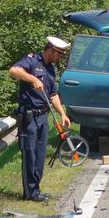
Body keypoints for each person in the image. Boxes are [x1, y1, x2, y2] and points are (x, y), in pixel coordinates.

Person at [8, 36, 72, 202]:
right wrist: (33, 79)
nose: (59, 58)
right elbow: (14, 70)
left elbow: (53, 94)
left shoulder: (51, 69)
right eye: (59, 54)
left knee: (40, 155)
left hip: (43, 116)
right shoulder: (31, 61)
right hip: (29, 117)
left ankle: (36, 189)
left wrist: (62, 114)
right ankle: (30, 193)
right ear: (50, 50)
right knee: (30, 155)